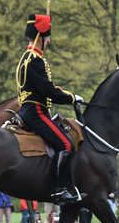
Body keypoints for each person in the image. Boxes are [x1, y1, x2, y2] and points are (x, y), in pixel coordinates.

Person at [16, 11, 85, 204]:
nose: (49, 42)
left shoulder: (27, 57)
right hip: (35, 111)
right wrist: (71, 98)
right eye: (47, 37)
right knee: (67, 144)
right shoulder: (34, 60)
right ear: (40, 37)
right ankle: (59, 189)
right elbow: (47, 90)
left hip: (33, 109)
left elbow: (43, 86)